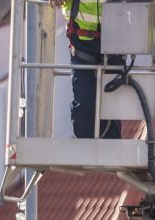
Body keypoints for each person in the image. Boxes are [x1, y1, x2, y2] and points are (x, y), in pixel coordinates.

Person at [50, 0, 121, 139]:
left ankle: (112, 156)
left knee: (112, 111)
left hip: (115, 42)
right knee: (84, 108)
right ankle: (84, 154)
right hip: (82, 44)